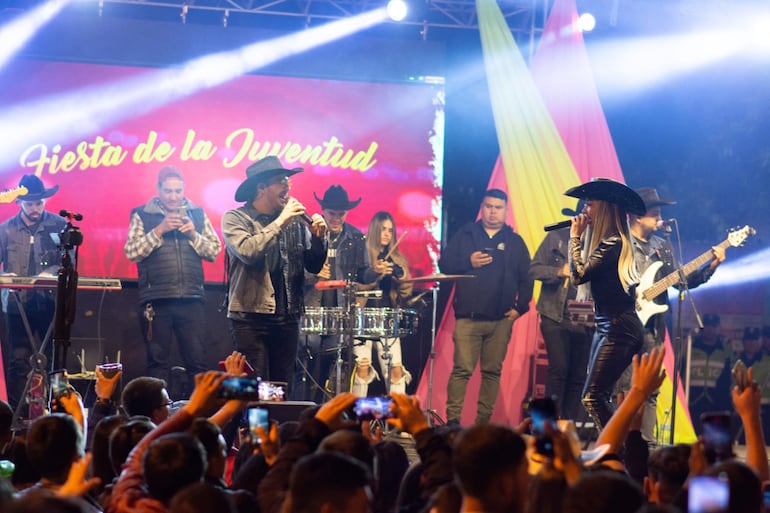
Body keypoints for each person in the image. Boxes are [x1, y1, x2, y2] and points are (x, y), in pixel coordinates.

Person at [616, 187, 724, 442]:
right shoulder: (621, 244)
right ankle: (618, 442)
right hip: (623, 325)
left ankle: (646, 444)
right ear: (637, 216)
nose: (660, 218)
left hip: (653, 327)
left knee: (651, 389)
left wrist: (712, 265)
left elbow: (680, 281)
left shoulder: (662, 247)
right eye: (655, 214)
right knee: (623, 387)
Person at [222, 156, 327, 389]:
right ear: (261, 188)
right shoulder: (236, 218)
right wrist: (280, 222)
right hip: (251, 318)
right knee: (252, 388)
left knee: (282, 387)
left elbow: (313, 266)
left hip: (288, 317)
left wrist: (319, 239)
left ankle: (276, 427)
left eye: (288, 181)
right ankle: (251, 427)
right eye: (281, 181)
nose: (288, 186)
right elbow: (248, 251)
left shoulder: (296, 222)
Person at [438, 188, 533, 425]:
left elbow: (527, 277)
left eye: (498, 207)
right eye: (489, 206)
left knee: (492, 372)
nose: (493, 212)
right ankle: (453, 422)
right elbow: (445, 264)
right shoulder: (467, 234)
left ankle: (483, 423)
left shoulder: (514, 241)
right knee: (462, 370)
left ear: (505, 211)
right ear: (482, 207)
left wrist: (520, 308)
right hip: (467, 318)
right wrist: (467, 262)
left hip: (501, 320)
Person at [124, 166, 222, 392]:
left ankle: (198, 414)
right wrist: (159, 230)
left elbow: (214, 251)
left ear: (184, 190)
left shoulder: (197, 214)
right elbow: (132, 252)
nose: (174, 196)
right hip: (156, 299)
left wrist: (192, 234)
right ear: (159, 190)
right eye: (168, 191)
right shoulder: (142, 214)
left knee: (197, 362)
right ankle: (159, 414)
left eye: (178, 191)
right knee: (158, 364)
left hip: (191, 296)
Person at [566, 178, 647, 431]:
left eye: (589, 205)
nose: (584, 211)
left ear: (604, 210)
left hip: (619, 329)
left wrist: (575, 238)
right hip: (609, 326)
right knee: (596, 396)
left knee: (593, 397)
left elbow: (578, 275)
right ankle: (614, 450)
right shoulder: (609, 241)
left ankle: (615, 453)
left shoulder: (613, 243)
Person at [301, 185, 379, 397]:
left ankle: (326, 411)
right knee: (307, 364)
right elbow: (294, 273)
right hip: (310, 311)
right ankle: (303, 410)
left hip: (340, 314)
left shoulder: (355, 237)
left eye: (341, 214)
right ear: (323, 211)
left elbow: (363, 275)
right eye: (332, 214)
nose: (336, 219)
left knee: (333, 366)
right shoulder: (309, 234)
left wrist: (375, 272)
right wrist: (314, 275)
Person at [0, 174, 66, 409]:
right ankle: (17, 417)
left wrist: (52, 272)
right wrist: (4, 277)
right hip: (16, 303)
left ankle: (57, 410)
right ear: (19, 203)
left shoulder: (58, 224)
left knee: (55, 358)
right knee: (18, 361)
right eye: (30, 204)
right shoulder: (6, 229)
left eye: (39, 203)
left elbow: (68, 259)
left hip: (49, 301)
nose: (36, 208)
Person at [529, 200, 592, 420]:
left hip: (586, 317)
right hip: (555, 314)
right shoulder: (557, 236)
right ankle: (549, 425)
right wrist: (559, 271)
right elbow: (534, 268)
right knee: (559, 369)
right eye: (586, 209)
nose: (589, 214)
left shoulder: (600, 244)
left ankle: (568, 426)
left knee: (578, 375)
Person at [352, 211, 414, 397]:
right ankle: (356, 421)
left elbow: (406, 292)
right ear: (374, 230)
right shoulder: (363, 255)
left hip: (388, 317)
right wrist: (375, 273)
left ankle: (394, 422)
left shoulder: (397, 258)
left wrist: (400, 276)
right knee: (362, 367)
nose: (387, 234)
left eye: (390, 230)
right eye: (383, 229)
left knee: (396, 370)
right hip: (362, 316)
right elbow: (356, 286)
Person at [687, 313, 732, 432]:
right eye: (707, 326)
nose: (710, 329)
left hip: (716, 403)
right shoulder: (690, 348)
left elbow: (729, 378)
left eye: (713, 326)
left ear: (718, 328)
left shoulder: (725, 351)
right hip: (692, 401)